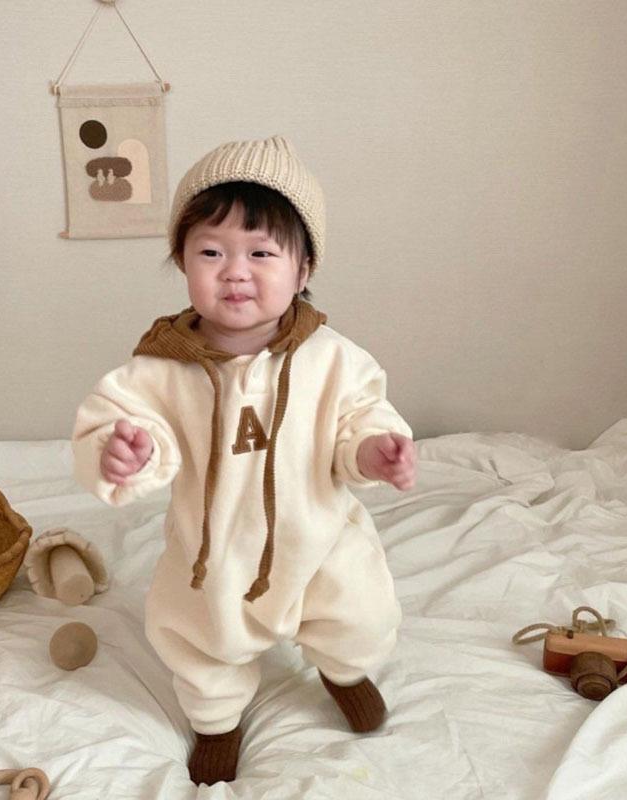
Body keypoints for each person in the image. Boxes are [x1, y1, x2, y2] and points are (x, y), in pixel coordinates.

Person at [72, 135, 417, 786]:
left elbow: (359, 417)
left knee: (359, 613)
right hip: (215, 553)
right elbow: (128, 418)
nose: (235, 271)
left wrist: (375, 451)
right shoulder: (160, 367)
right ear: (182, 262)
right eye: (211, 252)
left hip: (320, 541)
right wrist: (125, 451)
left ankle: (344, 673)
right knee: (200, 639)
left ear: (303, 269)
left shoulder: (331, 358)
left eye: (261, 253)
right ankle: (217, 722)